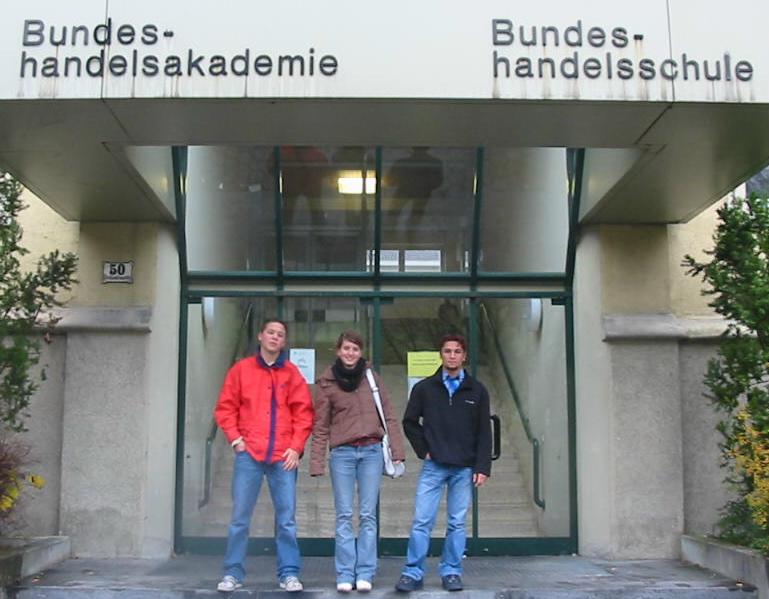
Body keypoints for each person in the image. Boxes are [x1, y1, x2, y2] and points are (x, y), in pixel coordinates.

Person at [214, 319, 314, 593]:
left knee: (287, 521)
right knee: (239, 518)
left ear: (284, 342)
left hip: (283, 456)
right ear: (260, 336)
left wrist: (296, 447)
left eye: (280, 334)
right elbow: (225, 407)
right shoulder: (241, 370)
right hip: (250, 454)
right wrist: (235, 439)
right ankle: (232, 573)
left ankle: (289, 573)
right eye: (270, 332)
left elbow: (304, 413)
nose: (275, 337)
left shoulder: (292, 373)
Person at [310, 330, 406, 593]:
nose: (350, 353)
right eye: (346, 348)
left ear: (361, 352)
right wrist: (317, 461)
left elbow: (388, 415)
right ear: (338, 351)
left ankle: (365, 572)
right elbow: (321, 426)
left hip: (371, 452)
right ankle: (345, 573)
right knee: (343, 515)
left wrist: (397, 450)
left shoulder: (372, 378)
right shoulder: (327, 382)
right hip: (342, 454)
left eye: (355, 349)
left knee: (367, 515)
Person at [395, 334, 492, 593]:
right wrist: (424, 450)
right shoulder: (425, 388)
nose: (452, 355)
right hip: (434, 465)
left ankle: (451, 571)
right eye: (447, 351)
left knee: (457, 524)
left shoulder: (477, 391)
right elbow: (409, 422)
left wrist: (482, 467)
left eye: (457, 351)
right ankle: (412, 572)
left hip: (464, 467)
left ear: (464, 356)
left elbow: (485, 432)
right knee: (422, 521)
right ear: (441, 354)